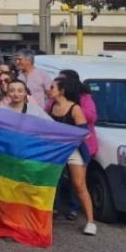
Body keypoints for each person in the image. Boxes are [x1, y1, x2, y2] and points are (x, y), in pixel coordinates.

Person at [47, 78, 97, 236]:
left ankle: (90, 222)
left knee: (79, 185)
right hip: (56, 151)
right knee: (51, 183)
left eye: (52, 87)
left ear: (62, 90)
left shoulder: (75, 109)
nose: (49, 89)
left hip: (74, 150)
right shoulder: (52, 107)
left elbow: (83, 134)